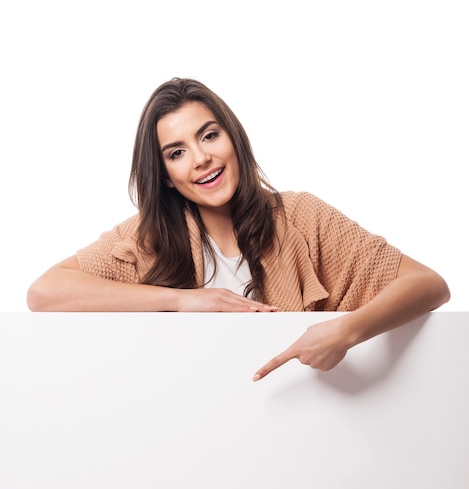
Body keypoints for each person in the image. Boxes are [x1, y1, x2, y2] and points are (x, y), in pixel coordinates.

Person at [27, 77, 450, 381]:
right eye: (177, 152)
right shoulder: (147, 237)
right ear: (166, 176)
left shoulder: (302, 216)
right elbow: (44, 293)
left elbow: (427, 284)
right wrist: (183, 302)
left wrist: (345, 331)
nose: (200, 159)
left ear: (234, 139)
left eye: (209, 136)